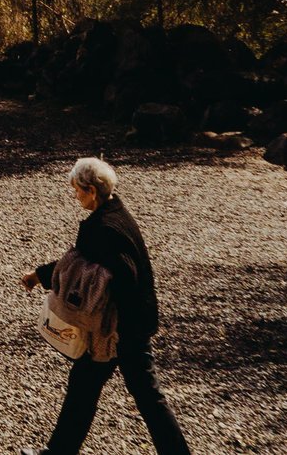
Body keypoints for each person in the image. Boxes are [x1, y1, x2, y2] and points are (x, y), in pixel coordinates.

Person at [16, 157, 193, 455]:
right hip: (130, 322)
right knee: (91, 386)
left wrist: (96, 300)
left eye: (76, 190)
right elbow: (81, 262)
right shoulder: (117, 212)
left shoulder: (102, 227)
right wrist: (42, 274)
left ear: (90, 191)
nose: (74, 195)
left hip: (118, 328)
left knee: (142, 393)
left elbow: (106, 271)